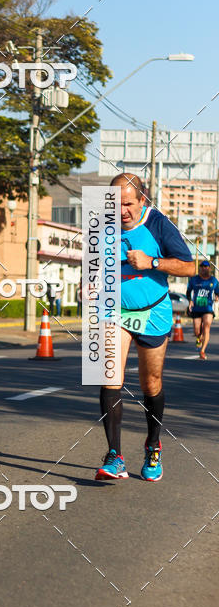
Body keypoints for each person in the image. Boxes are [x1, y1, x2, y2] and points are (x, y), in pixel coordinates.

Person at [96, 173, 194, 482]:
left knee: (150, 384)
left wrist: (152, 262)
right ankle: (115, 456)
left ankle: (153, 445)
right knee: (109, 375)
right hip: (115, 310)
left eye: (127, 203)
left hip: (153, 312)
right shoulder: (101, 224)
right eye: (115, 203)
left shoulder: (158, 224)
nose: (121, 210)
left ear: (142, 200)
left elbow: (188, 266)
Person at [186, 260, 219, 360]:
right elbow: (188, 291)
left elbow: (218, 291)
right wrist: (190, 301)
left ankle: (202, 350)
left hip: (208, 308)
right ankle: (198, 337)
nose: (204, 268)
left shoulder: (213, 281)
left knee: (207, 327)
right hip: (196, 308)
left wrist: (217, 296)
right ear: (200, 268)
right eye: (202, 266)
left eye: (206, 266)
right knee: (197, 331)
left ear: (209, 268)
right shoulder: (194, 280)